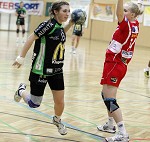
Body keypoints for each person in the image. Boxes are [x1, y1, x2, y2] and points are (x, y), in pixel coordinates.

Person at [12, 1, 74, 135]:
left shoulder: (59, 27)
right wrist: (21, 57)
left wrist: (71, 23)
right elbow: (31, 38)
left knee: (60, 101)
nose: (67, 14)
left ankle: (57, 120)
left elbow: (60, 33)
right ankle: (21, 91)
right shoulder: (47, 25)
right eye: (64, 11)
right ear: (56, 12)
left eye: (69, 11)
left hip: (57, 70)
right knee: (34, 103)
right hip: (40, 69)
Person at [97, 1, 143, 142]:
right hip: (115, 63)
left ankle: (123, 133)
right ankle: (110, 125)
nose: (122, 12)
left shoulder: (128, 25)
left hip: (115, 64)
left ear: (132, 14)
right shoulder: (134, 24)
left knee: (110, 99)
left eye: (125, 10)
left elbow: (118, 14)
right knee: (105, 94)